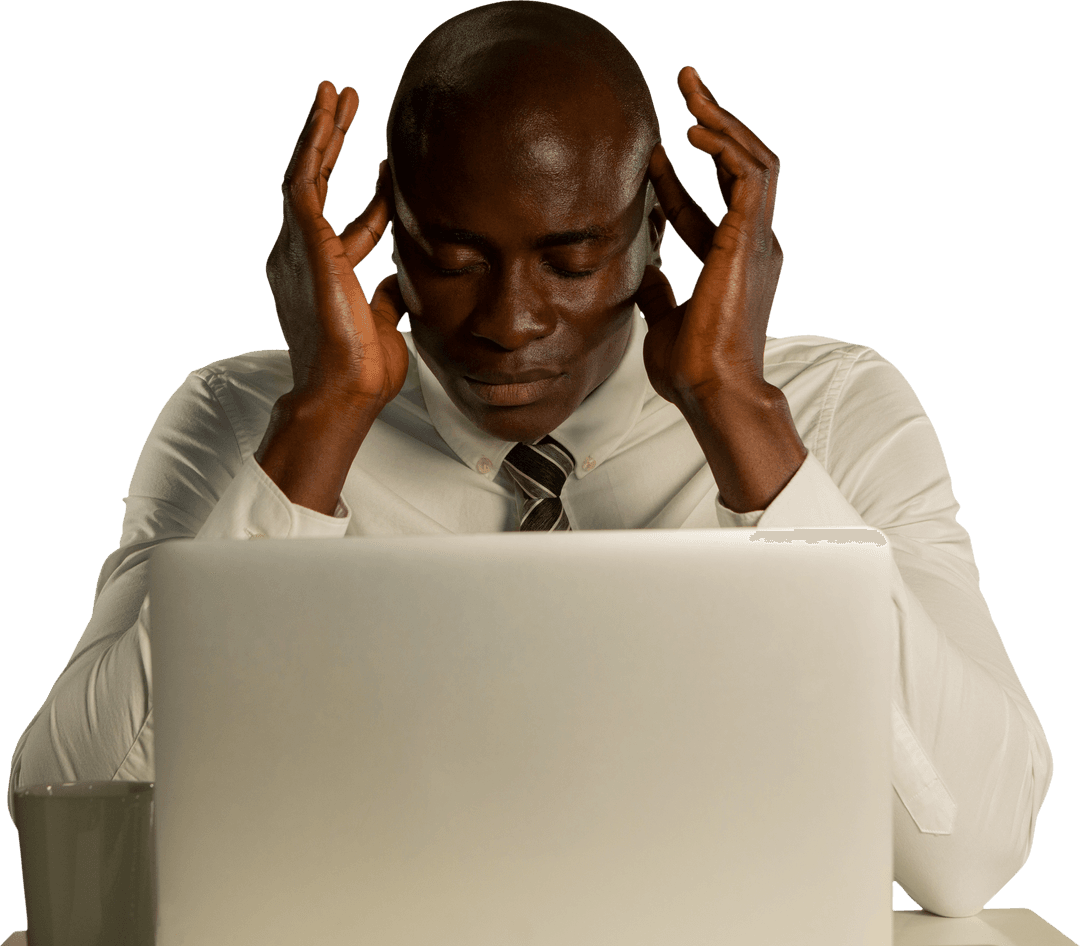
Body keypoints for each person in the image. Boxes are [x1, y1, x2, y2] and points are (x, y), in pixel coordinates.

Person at [7, 0, 1052, 919]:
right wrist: (317, 428)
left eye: (571, 259)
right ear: (386, 231)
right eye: (453, 258)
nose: (511, 322)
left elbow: (969, 854)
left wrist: (740, 420)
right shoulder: (242, 420)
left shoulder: (832, 408)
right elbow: (74, 823)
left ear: (657, 229)